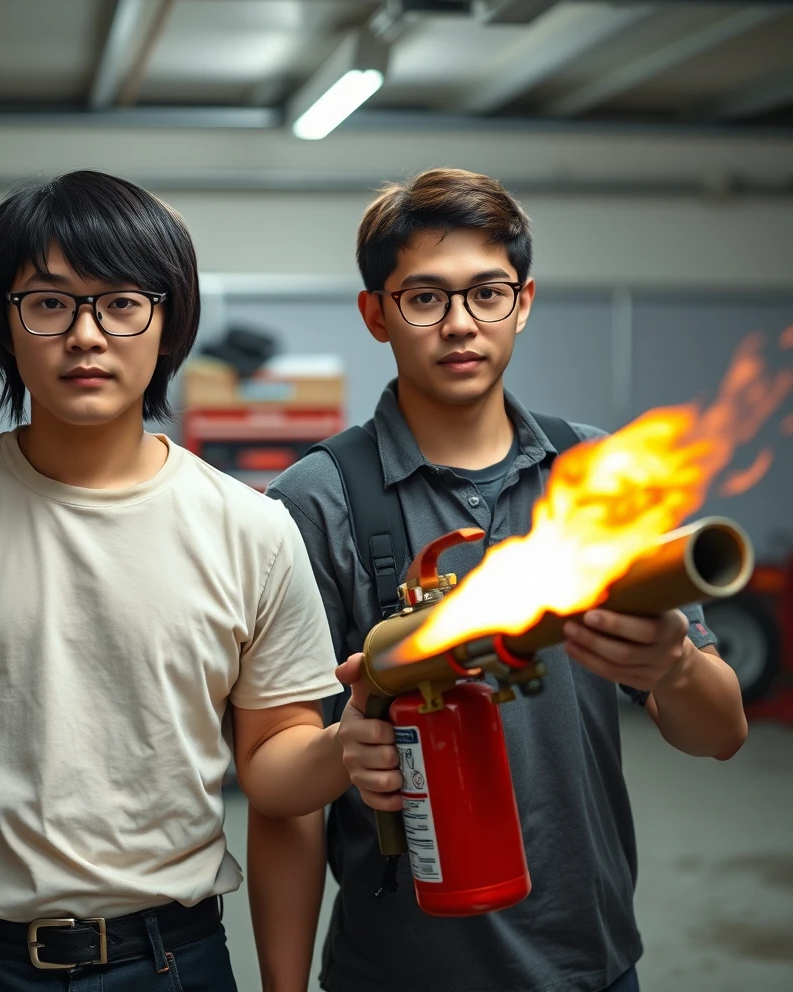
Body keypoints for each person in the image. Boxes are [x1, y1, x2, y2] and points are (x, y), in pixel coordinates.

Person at [0, 170, 350, 991]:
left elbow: (275, 774)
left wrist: (352, 738)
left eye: (122, 302)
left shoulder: (252, 528)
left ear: (168, 323)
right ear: (4, 328)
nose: (86, 334)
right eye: (49, 303)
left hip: (172, 961)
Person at [251, 168, 748, 992]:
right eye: (424, 298)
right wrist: (344, 750)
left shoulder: (596, 478)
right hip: (400, 971)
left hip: (591, 963)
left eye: (487, 293)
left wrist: (675, 665)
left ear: (524, 302)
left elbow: (720, 732)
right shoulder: (318, 500)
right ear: (376, 312)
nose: (459, 325)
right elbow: (277, 782)